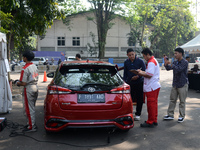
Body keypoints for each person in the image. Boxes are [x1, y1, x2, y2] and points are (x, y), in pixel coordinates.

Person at [134, 48, 161, 128]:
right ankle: (154, 120)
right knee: (154, 104)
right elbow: (149, 73)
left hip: (151, 87)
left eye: (144, 56)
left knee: (151, 105)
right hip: (154, 86)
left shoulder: (151, 62)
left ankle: (150, 121)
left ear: (148, 55)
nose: (144, 58)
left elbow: (149, 75)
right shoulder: (153, 60)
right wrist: (141, 72)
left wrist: (140, 73)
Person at [14, 50, 39, 132]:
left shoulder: (25, 68)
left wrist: (17, 82)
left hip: (28, 88)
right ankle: (30, 124)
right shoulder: (34, 66)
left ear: (25, 58)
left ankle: (32, 127)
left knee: (28, 109)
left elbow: (23, 83)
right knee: (32, 108)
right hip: (35, 87)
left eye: (23, 57)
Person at [163, 47, 188, 123]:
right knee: (172, 100)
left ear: (181, 54)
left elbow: (179, 69)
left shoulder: (185, 62)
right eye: (174, 53)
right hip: (175, 84)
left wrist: (171, 65)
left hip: (183, 84)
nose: (175, 55)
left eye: (176, 53)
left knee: (182, 101)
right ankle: (170, 115)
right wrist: (166, 63)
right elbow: (168, 69)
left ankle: (181, 116)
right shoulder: (175, 61)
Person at [123, 48, 146, 121]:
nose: (131, 56)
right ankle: (130, 113)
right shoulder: (126, 62)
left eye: (132, 54)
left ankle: (138, 114)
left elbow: (145, 71)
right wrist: (124, 82)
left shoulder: (140, 61)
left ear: (135, 53)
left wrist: (138, 76)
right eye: (129, 55)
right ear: (127, 55)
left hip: (139, 82)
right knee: (130, 99)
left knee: (140, 98)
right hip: (130, 83)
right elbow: (125, 73)